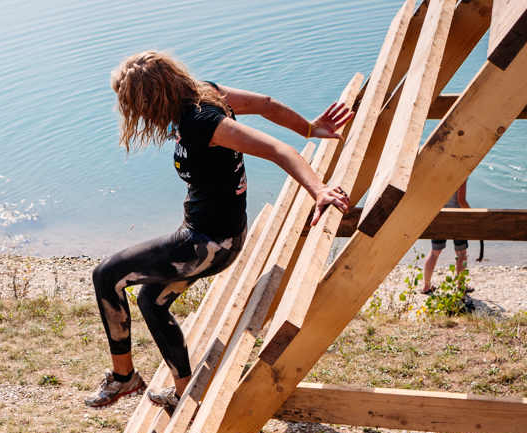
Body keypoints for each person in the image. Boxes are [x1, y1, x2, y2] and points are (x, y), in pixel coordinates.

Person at [87, 52, 353, 409]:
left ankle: (124, 378)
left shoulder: (201, 121)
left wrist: (318, 189)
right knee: (151, 300)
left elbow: (277, 149)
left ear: (150, 97)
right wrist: (307, 126)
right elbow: (265, 104)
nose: (135, 112)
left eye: (134, 103)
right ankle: (183, 393)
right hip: (215, 236)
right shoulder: (205, 92)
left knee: (105, 275)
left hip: (208, 244)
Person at [421, 179, 472, 294]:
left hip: (440, 215)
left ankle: (426, 286)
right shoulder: (461, 174)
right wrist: (472, 214)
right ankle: (460, 285)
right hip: (457, 217)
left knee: (434, 252)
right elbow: (461, 201)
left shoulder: (438, 174)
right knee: (461, 253)